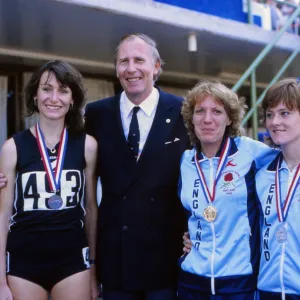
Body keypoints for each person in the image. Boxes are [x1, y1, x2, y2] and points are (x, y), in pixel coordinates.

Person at [84, 33, 189, 299]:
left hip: (167, 259)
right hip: (116, 260)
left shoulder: (184, 112)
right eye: (123, 61)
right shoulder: (96, 115)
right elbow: (72, 166)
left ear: (156, 67)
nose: (131, 69)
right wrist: (11, 174)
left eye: (139, 60)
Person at [0, 61, 98, 300]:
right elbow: (2, 216)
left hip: (72, 260)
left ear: (72, 99)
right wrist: (0, 280)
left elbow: (91, 211)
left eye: (63, 90)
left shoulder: (88, 146)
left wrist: (94, 270)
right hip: (24, 262)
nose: (54, 98)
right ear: (35, 95)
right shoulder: (12, 147)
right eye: (46, 89)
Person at [178, 80, 277, 299]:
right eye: (200, 111)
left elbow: (290, 158)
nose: (207, 119)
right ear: (191, 118)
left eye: (217, 111)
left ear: (229, 118)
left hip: (238, 282)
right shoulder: (185, 161)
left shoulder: (250, 152)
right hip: (192, 281)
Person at [256, 77, 300, 299]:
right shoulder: (261, 174)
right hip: (267, 291)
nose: (274, 122)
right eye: (270, 114)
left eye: (285, 113)